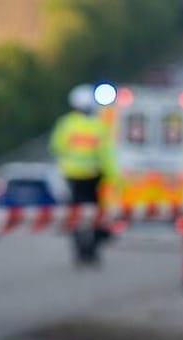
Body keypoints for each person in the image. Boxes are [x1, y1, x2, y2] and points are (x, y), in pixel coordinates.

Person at [50, 84, 115, 265]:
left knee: (76, 215)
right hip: (93, 177)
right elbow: (106, 156)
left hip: (72, 177)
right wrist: (114, 178)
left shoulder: (66, 124)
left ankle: (80, 250)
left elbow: (56, 147)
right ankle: (92, 250)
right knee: (95, 215)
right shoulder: (97, 127)